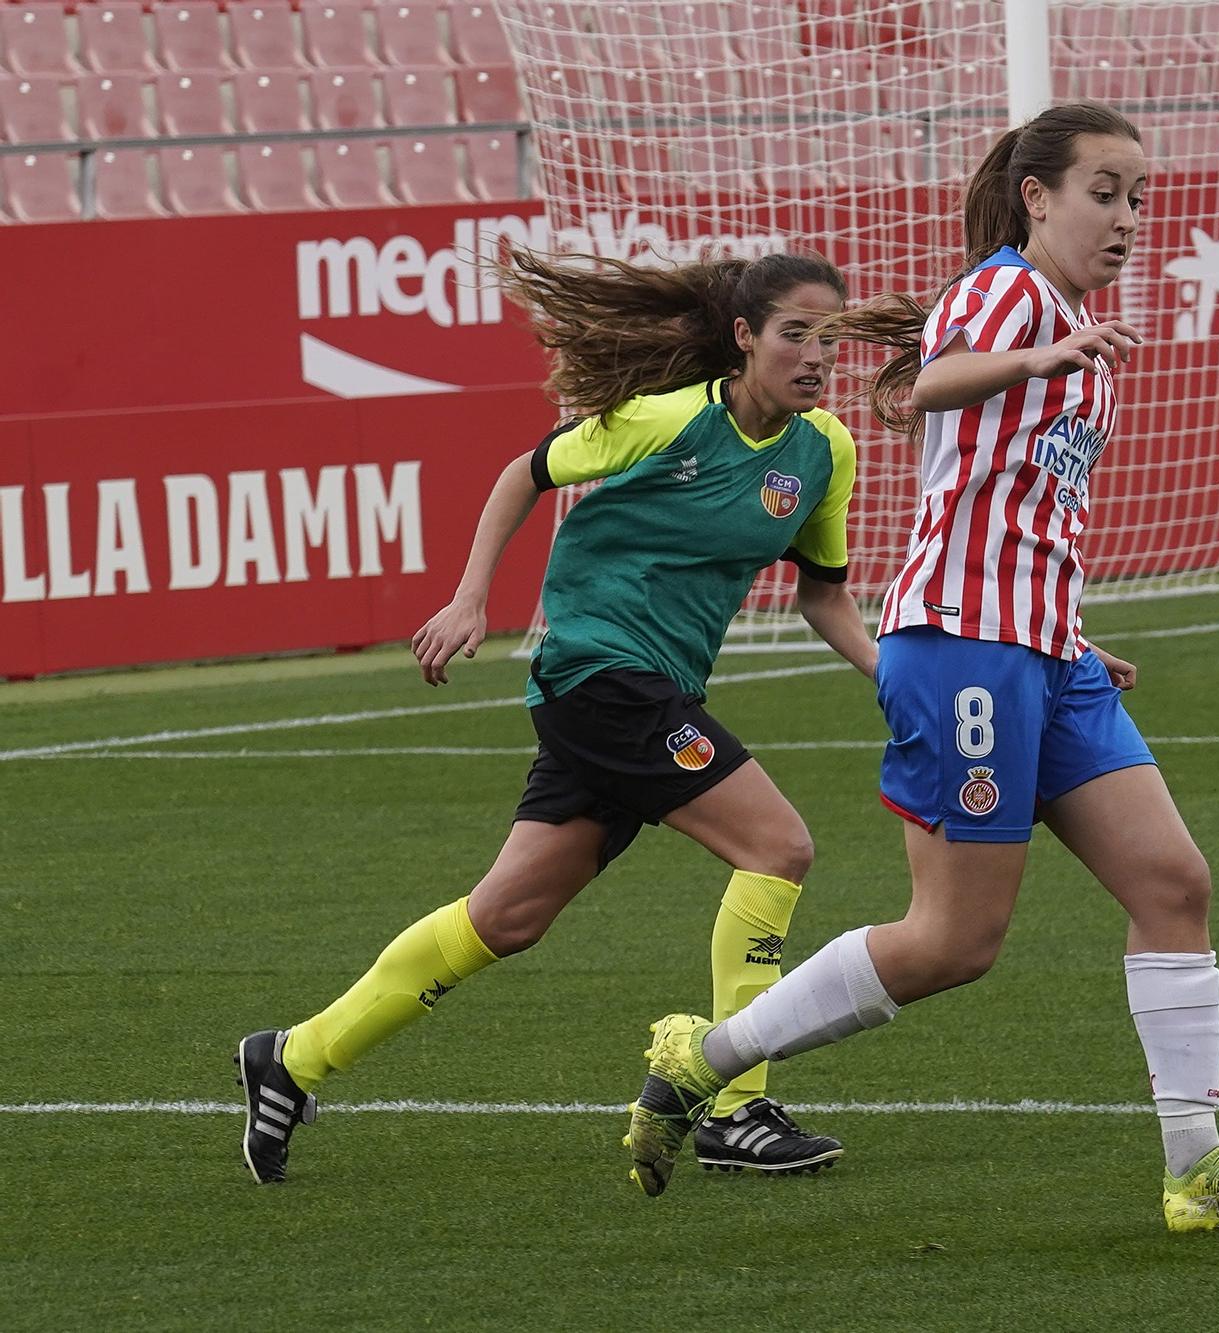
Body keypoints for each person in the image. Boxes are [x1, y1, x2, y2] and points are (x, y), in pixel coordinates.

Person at [618, 102, 1219, 1233]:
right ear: (1035, 196)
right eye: (1104, 192)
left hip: (1040, 647)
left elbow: (1010, 502)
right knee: (955, 941)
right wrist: (1041, 352)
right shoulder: (1009, 294)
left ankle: (1198, 1173)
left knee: (1172, 885)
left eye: (1139, 197)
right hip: (964, 651)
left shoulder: (1064, 321)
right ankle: (705, 1058)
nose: (1128, 218)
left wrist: (1063, 623)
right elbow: (914, 391)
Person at [232, 249, 878, 1185]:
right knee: (778, 847)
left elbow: (827, 598)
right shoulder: (669, 417)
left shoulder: (825, 451)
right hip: (599, 674)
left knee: (508, 915)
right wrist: (469, 599)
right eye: (795, 333)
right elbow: (523, 474)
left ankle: (291, 1057)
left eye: (830, 336)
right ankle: (736, 1107)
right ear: (745, 338)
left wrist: (890, 675)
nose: (817, 354)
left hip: (651, 690)